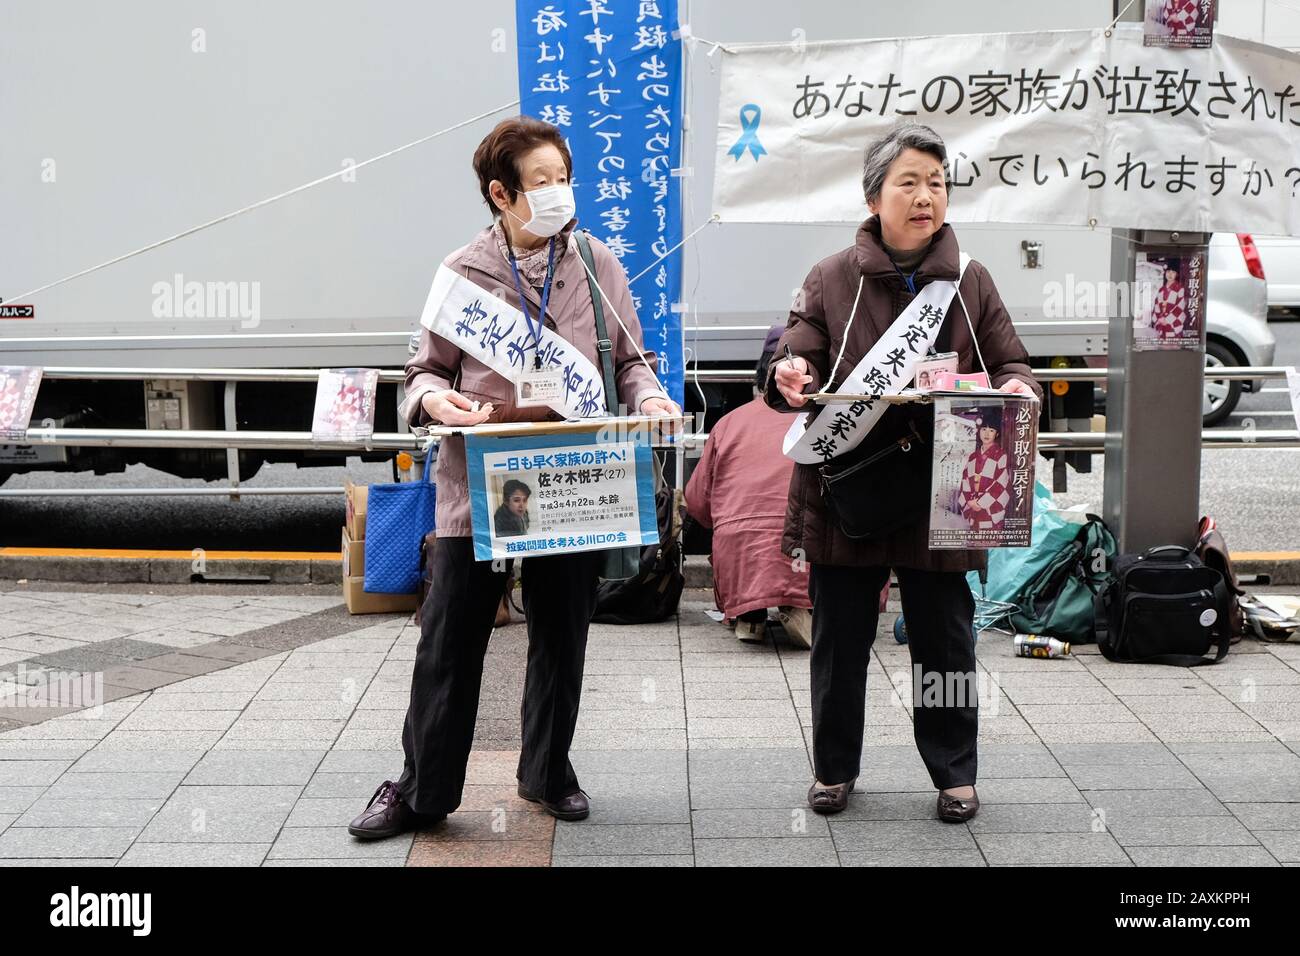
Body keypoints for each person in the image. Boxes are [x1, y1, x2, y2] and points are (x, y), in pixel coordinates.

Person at [348, 116, 681, 839]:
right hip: (478, 483)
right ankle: (421, 789)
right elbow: (424, 372)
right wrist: (438, 400)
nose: (561, 193)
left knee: (563, 634)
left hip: (572, 479)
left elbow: (629, 361)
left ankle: (548, 772)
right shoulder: (463, 273)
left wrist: (651, 397)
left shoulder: (597, 264)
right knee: (449, 639)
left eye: (565, 177)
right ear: (501, 194)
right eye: (542, 182)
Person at [768, 122, 1041, 823]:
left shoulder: (971, 279)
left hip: (946, 490)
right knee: (839, 642)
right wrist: (790, 374)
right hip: (848, 486)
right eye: (909, 183)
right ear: (873, 196)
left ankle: (954, 773)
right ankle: (834, 769)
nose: (926, 197)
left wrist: (1015, 391)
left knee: (945, 640)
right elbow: (791, 358)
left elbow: (1013, 363)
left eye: (938, 183)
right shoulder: (831, 276)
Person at [685, 326, 817, 646]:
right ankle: (800, 604)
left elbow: (697, 502)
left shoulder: (730, 422)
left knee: (742, 538)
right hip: (810, 551)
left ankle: (749, 615)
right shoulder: (825, 419)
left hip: (741, 554)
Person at [960, 413, 1010, 533]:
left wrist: (981, 502)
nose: (987, 434)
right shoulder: (973, 456)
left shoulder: (1001, 454)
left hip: (990, 505)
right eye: (983, 429)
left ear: (997, 434)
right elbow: (965, 479)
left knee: (988, 537)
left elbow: (1001, 483)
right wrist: (970, 501)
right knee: (973, 536)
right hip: (973, 502)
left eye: (991, 430)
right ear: (979, 431)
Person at [1151, 260, 1186, 342]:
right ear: (1165, 273)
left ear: (1176, 274)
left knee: (1172, 347)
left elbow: (1180, 307)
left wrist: (1167, 320)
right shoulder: (1161, 290)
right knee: (1161, 347)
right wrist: (1159, 319)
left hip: (1173, 323)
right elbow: (1156, 305)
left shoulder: (1180, 288)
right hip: (1161, 323)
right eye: (1168, 271)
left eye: (1173, 272)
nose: (1170, 274)